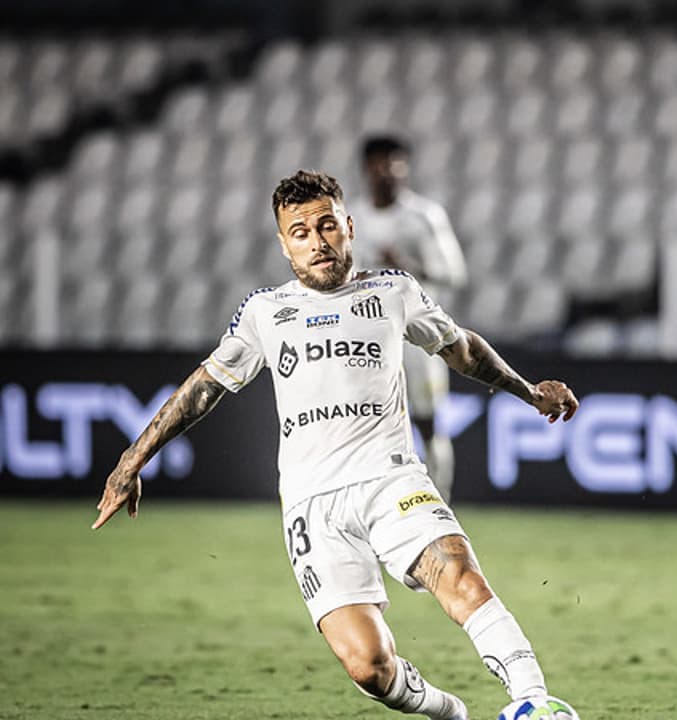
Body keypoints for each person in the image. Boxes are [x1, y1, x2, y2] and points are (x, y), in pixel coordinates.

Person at [93, 170, 580, 720]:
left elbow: (460, 348)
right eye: (300, 232)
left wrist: (528, 390)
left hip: (392, 479)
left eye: (327, 226)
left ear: (349, 228)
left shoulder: (393, 291)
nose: (317, 241)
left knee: (462, 578)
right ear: (284, 245)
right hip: (312, 503)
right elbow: (203, 389)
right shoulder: (264, 312)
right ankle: (449, 712)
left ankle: (535, 702)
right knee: (369, 667)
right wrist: (130, 462)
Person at [350, 136, 469, 501]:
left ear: (405, 167)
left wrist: (406, 266)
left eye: (393, 162)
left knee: (427, 420)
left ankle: (441, 502)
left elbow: (454, 273)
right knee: (366, 421)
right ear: (366, 168)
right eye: (377, 162)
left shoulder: (423, 216)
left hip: (416, 334)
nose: (385, 170)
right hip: (368, 335)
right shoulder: (350, 217)